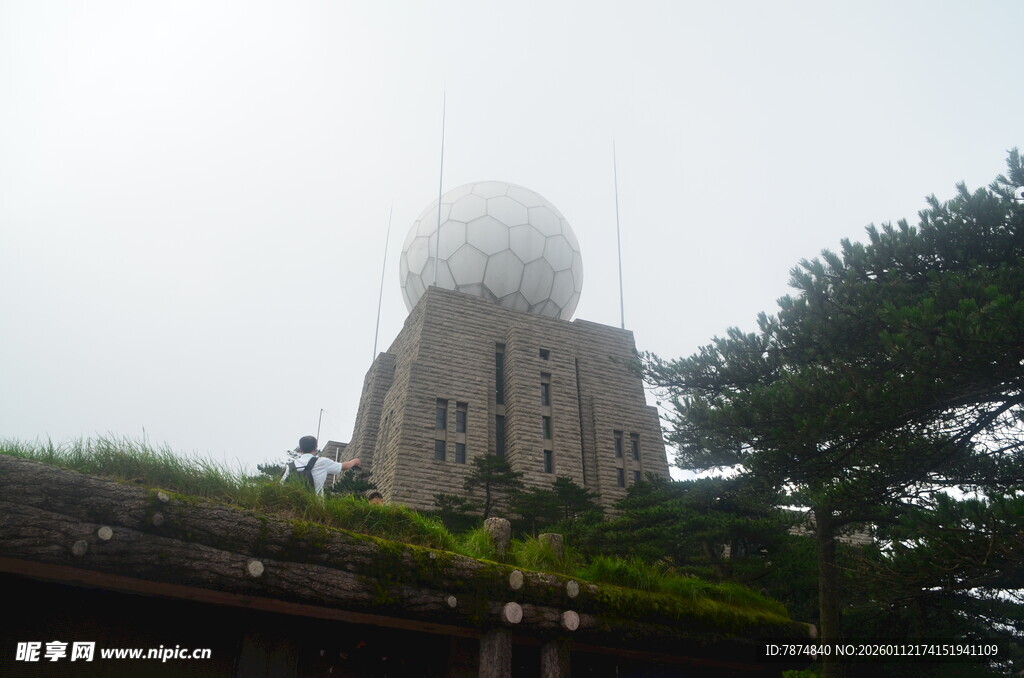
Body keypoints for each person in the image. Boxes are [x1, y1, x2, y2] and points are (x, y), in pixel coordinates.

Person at [280, 435, 361, 495]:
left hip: (292, 509)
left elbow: (281, 486)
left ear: (300, 449)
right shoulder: (322, 462)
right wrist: (354, 461)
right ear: (315, 448)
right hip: (315, 508)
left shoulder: (290, 466)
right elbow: (344, 466)